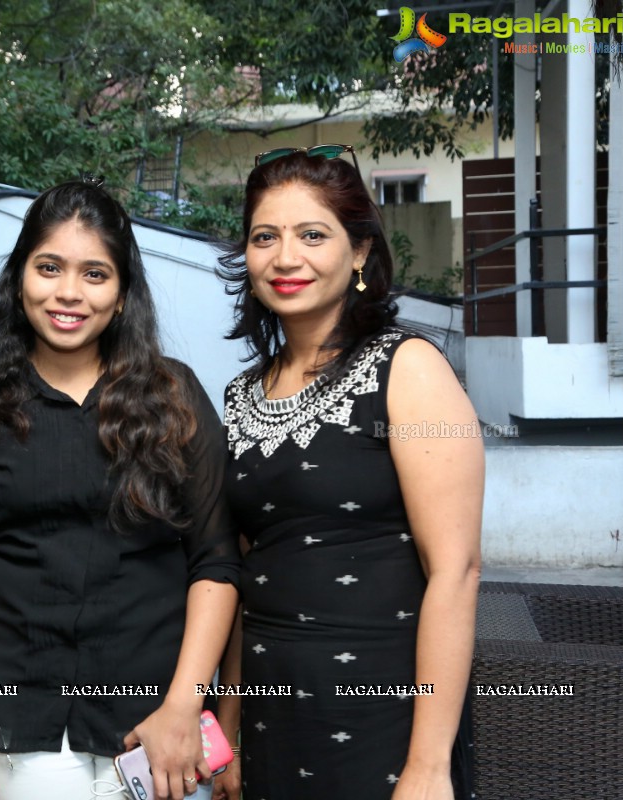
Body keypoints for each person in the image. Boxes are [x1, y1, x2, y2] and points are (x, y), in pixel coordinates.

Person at [0, 179, 240, 800]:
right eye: (49, 268)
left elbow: (217, 563)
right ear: (19, 280)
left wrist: (183, 707)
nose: (69, 293)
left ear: (122, 296)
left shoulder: (176, 399)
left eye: (95, 274)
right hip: (19, 740)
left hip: (160, 736)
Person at [211, 144, 481, 800]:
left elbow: (457, 571)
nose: (285, 257)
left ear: (359, 252)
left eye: (312, 234)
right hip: (278, 718)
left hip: (384, 720)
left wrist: (428, 766)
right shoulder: (241, 395)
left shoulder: (408, 368)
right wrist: (229, 729)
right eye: (265, 236)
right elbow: (249, 573)